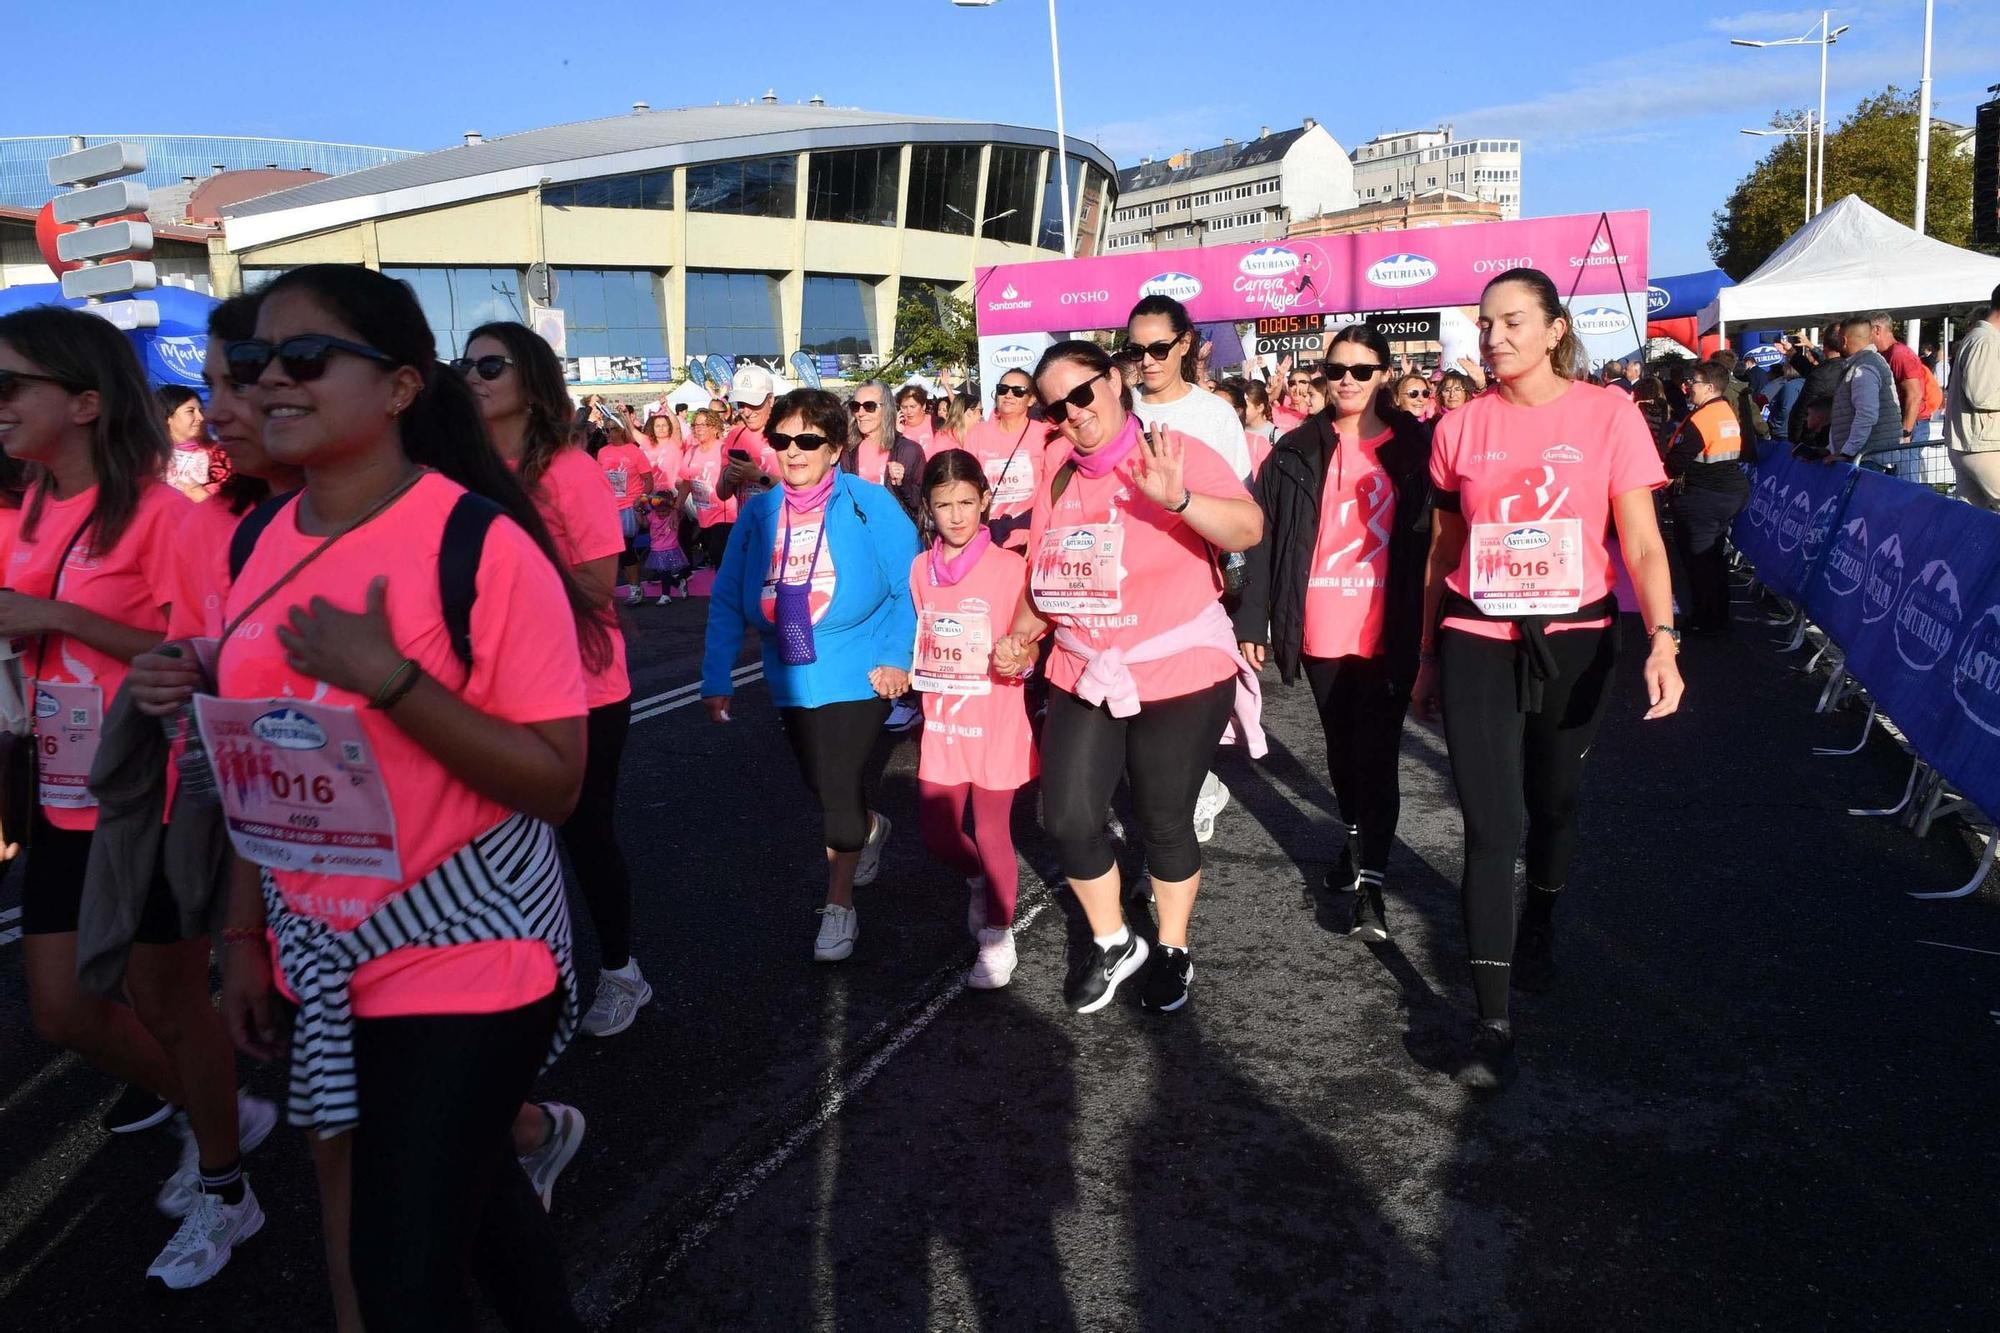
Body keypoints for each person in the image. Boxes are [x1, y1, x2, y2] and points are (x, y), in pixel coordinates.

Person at [195, 263, 600, 1329]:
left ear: (401, 387)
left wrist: (392, 680)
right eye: (254, 360)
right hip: (317, 946)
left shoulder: (478, 543)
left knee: (400, 1276)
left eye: (305, 357)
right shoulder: (257, 539)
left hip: (466, 947)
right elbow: (260, 769)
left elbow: (557, 781)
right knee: (479, 1208)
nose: (268, 380)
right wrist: (244, 935)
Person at [1, 303, 275, 1291]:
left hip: (153, 795)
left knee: (167, 998)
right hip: (55, 790)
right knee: (64, 1010)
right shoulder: (19, 508)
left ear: (84, 401)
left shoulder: (170, 519)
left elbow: (209, 658)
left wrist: (57, 616)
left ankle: (226, 1185)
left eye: (10, 385)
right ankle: (221, 1108)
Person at [1412, 267, 1683, 1093]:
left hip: (1577, 639)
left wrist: (1663, 638)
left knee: (1554, 800)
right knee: (1492, 826)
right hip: (1476, 636)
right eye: (1486, 323)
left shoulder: (1609, 413)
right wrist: (1424, 653)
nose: (1494, 337)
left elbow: (1642, 542)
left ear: (1555, 329)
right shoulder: (1458, 426)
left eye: (1513, 321)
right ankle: (1491, 1020)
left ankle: (1543, 916)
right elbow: (1443, 551)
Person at [991, 340, 1264, 1016]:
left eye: (1082, 394)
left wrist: (1181, 499)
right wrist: (1021, 636)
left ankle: (1171, 945)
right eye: (1056, 407)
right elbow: (1045, 577)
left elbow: (1248, 529)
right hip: (1085, 665)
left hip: (1180, 668)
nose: (1072, 413)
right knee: (1068, 817)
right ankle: (1114, 940)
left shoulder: (1175, 451)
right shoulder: (1058, 474)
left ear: (1114, 380)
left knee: (1162, 816)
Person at [460, 320, 651, 1042]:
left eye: (491, 365)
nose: (473, 376)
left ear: (532, 383)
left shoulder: (569, 471)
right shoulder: (465, 470)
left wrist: (500, 591)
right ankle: (524, 981)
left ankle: (623, 972)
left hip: (583, 686)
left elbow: (599, 584)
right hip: (491, 690)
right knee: (499, 841)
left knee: (585, 834)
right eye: (466, 364)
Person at [701, 388, 922, 963]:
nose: (793, 451)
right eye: (782, 440)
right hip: (790, 676)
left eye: (807, 439)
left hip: (860, 670)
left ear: (835, 447)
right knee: (822, 784)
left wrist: (897, 657)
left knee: (837, 785)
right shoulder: (759, 513)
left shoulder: (869, 504)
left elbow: (910, 586)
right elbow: (726, 597)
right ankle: (870, 828)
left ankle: (839, 904)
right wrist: (716, 674)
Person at [1234, 325, 1433, 940]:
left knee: (1379, 751)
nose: (1347, 380)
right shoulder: (1295, 448)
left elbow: (1439, 538)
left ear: (1385, 374)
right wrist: (1254, 617)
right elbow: (1263, 537)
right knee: (1342, 749)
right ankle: (1353, 838)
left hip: (1389, 623)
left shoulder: (1415, 446)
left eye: (1362, 370)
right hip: (1319, 621)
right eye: (1337, 369)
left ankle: (1372, 886)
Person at [1122, 295, 1256, 847]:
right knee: (1126, 712)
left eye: (1159, 348)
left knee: (1177, 709)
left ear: (1185, 345)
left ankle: (1190, 797)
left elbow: (1241, 512)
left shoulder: (1213, 415)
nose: (1147, 361)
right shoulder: (1118, 406)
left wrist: (1248, 607)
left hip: (1192, 583)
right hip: (1124, 586)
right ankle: (1174, 797)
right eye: (1136, 350)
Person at [908, 450, 1037, 988]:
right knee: (938, 834)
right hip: (942, 724)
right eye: (944, 505)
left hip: (996, 719)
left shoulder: (1010, 568)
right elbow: (920, 637)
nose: (957, 515)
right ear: (928, 508)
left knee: (991, 831)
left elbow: (1031, 640)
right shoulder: (920, 569)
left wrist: (1019, 657)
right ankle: (979, 879)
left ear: (985, 500)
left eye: (966, 502)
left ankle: (998, 935)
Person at [1662, 361, 1750, 636]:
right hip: (1725, 493)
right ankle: (1716, 616)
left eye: (1694, 382)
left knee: (1699, 560)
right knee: (1713, 558)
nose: (1688, 386)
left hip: (1704, 496)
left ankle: (1705, 619)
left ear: (1709, 387)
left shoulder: (1702, 419)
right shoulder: (1724, 411)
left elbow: (1676, 462)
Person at [960, 367, 1050, 552]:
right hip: (986, 533)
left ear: (1031, 399)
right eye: (1003, 389)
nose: (1009, 395)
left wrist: (1037, 530)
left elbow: (1051, 490)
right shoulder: (977, 433)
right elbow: (967, 484)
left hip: (1027, 534)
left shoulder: (1044, 434)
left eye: (1018, 391)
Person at [1943, 290, 2000, 510]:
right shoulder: (1986, 340)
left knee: (1973, 517)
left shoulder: (1982, 338)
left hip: (1975, 442)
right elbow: (1981, 396)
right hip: (1981, 444)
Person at [842, 379, 925, 518]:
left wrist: (902, 483)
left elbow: (922, 501)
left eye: (869, 406)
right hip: (859, 528)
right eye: (855, 406)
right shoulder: (847, 452)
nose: (860, 413)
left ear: (886, 409)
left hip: (897, 528)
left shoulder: (909, 451)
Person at [592, 418, 654, 604]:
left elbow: (648, 481)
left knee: (625, 547)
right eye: (605, 430)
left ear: (621, 431)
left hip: (629, 506)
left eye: (611, 429)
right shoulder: (602, 452)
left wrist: (641, 499)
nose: (607, 434)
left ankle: (635, 589)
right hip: (609, 507)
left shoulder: (634, 451)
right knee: (612, 550)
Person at [1830, 315, 1901, 463]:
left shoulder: (1864, 367)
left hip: (1868, 459)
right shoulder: (1870, 362)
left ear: (1844, 340)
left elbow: (1866, 414)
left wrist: (1847, 452)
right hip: (1869, 456)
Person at [678, 408, 736, 568]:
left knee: (720, 555)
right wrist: (677, 508)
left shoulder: (723, 449)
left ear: (715, 427)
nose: (699, 428)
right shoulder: (691, 452)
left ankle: (726, 584)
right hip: (703, 513)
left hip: (725, 513)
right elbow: (685, 483)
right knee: (713, 555)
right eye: (696, 425)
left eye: (703, 425)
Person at [719, 365, 781, 500]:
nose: (746, 412)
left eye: (753, 403)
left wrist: (758, 476)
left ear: (770, 400)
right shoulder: (734, 435)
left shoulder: (787, 434)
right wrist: (728, 477)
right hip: (745, 513)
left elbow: (803, 490)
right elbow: (722, 494)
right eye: (741, 404)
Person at [1869, 311, 1930, 442]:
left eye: (1867, 332)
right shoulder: (1888, 353)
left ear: (1877, 330)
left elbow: (1915, 394)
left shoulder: (1899, 354)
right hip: (1904, 423)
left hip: (1911, 424)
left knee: (1904, 456)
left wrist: (1906, 432)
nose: (1865, 338)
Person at [158, 384, 222, 500]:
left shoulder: (219, 455)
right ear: (168, 418)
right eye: (190, 411)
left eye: (201, 411)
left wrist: (205, 499)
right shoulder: (149, 457)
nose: (201, 417)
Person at [895, 383, 938, 457]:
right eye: (904, 407)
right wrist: (897, 434)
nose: (909, 411)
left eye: (913, 406)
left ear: (923, 406)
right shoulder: (897, 428)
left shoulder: (936, 424)